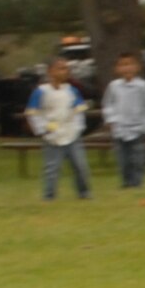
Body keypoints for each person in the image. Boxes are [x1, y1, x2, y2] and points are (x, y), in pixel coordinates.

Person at [26, 56, 93, 200]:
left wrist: (77, 128)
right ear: (51, 71)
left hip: (71, 134)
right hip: (52, 135)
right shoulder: (41, 92)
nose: (65, 71)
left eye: (66, 68)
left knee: (80, 166)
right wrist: (43, 129)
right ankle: (49, 195)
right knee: (52, 168)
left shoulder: (72, 91)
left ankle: (84, 192)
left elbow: (78, 112)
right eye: (61, 68)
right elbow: (33, 114)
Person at [101, 51, 145, 187]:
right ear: (117, 69)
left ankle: (137, 182)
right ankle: (126, 182)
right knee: (123, 160)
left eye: (130, 64)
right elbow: (108, 104)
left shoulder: (143, 86)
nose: (127, 68)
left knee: (138, 158)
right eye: (123, 65)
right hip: (120, 128)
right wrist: (111, 120)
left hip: (138, 127)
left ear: (137, 67)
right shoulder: (114, 86)